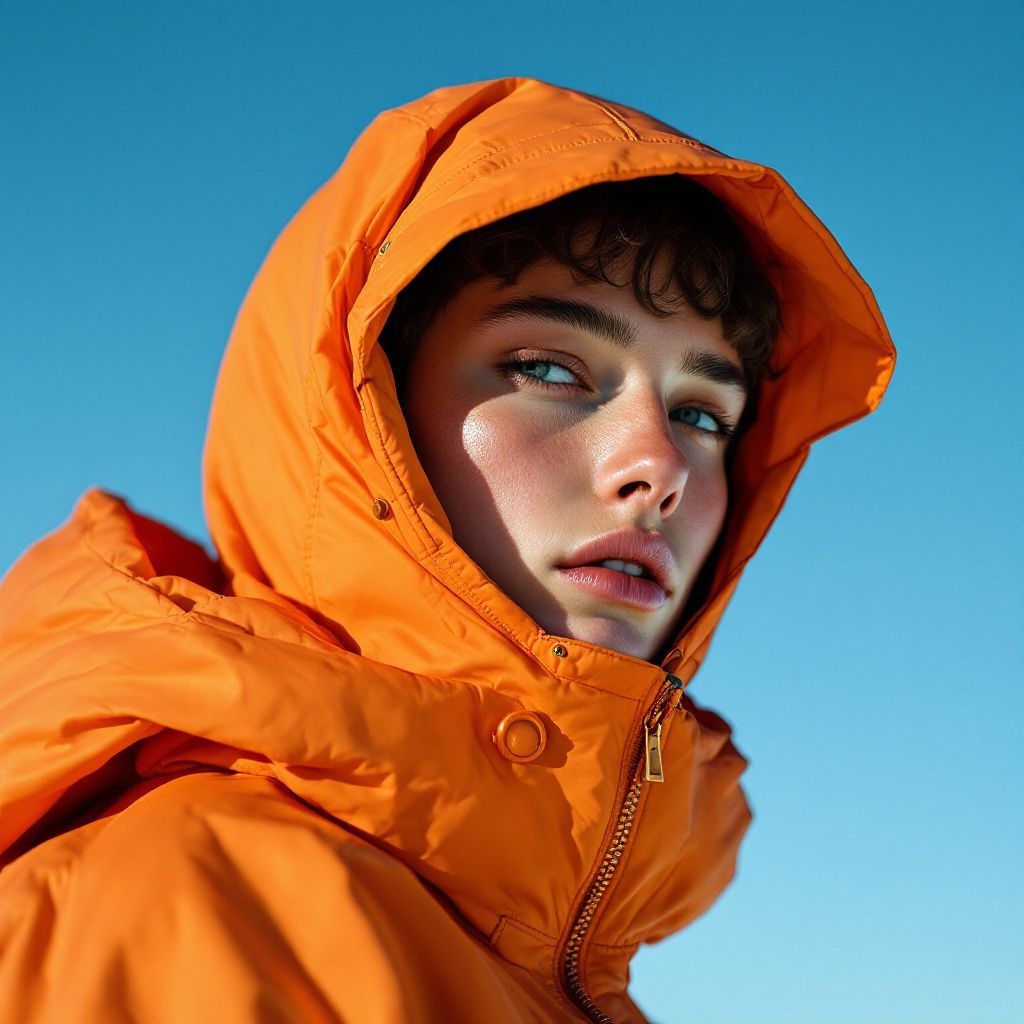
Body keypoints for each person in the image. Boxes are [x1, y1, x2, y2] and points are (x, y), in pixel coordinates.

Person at [0, 77, 895, 1023]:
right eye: (550, 369)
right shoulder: (189, 901)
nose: (659, 465)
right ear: (366, 419)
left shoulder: (561, 951)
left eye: (703, 414)